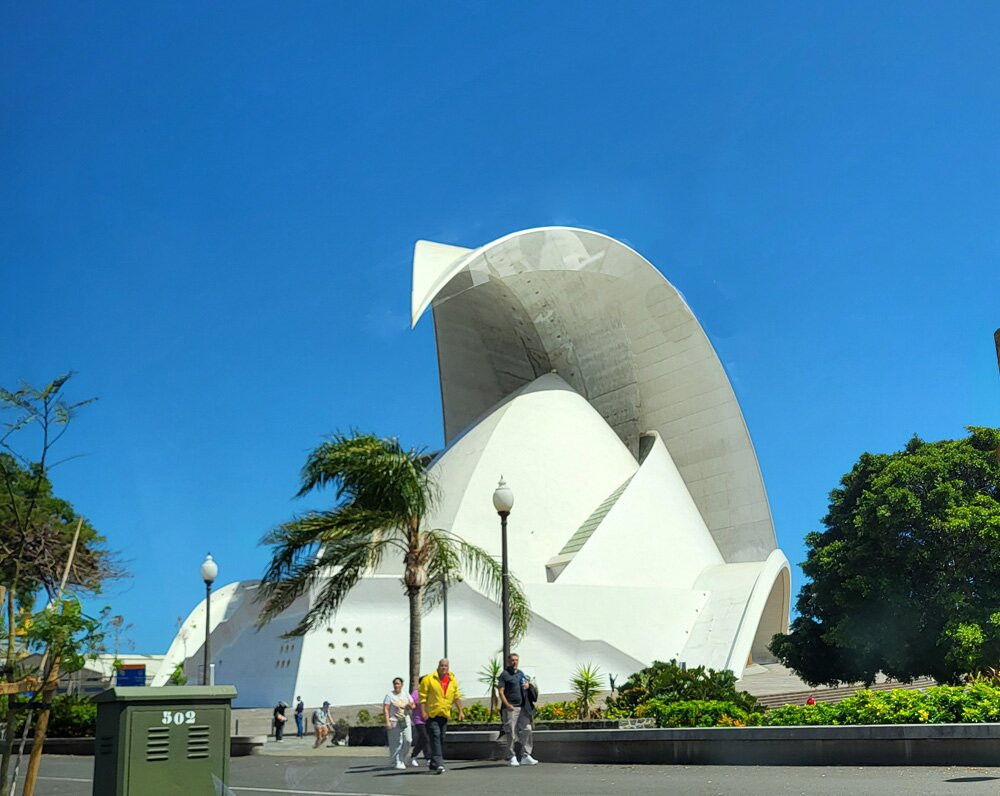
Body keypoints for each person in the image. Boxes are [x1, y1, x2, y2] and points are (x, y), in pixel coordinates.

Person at [419, 658, 464, 774]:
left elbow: (456, 696)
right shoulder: (429, 679)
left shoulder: (452, 680)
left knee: (441, 738)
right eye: (442, 665)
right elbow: (422, 697)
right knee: (435, 735)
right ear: (438, 666)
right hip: (432, 714)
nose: (444, 668)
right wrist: (423, 712)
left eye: (446, 666)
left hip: (444, 714)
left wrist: (460, 711)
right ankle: (439, 763)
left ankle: (433, 763)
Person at [497, 653, 538, 765]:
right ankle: (511, 756)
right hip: (510, 708)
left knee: (527, 729)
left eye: (516, 660)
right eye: (512, 660)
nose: (514, 662)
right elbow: (500, 691)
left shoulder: (520, 674)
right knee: (510, 732)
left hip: (522, 707)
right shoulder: (504, 675)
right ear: (508, 662)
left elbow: (524, 684)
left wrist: (527, 686)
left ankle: (526, 755)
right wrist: (507, 704)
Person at [383, 676, 415, 769]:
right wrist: (388, 722)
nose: (396, 685)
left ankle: (402, 757)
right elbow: (386, 709)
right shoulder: (389, 696)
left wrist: (409, 705)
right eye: (395, 684)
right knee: (397, 742)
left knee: (408, 740)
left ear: (402, 685)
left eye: (398, 684)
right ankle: (398, 760)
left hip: (405, 719)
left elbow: (413, 705)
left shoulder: (406, 694)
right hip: (394, 720)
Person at [409, 685, 430, 766]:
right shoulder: (416, 693)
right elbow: (412, 704)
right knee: (425, 737)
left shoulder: (431, 692)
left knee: (422, 739)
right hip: (418, 719)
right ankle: (428, 758)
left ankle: (414, 755)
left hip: (429, 719)